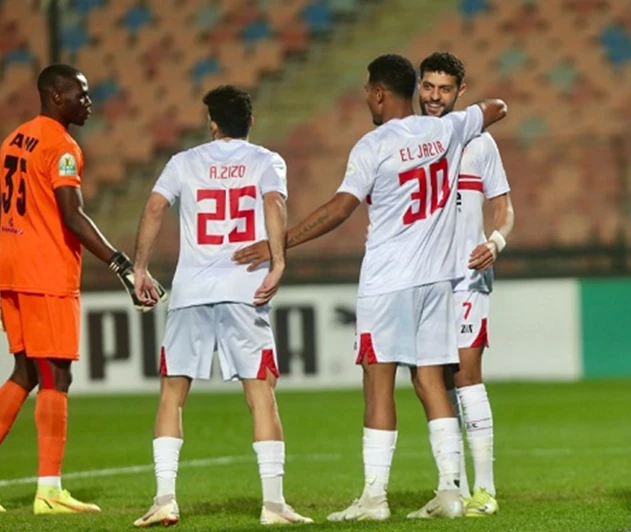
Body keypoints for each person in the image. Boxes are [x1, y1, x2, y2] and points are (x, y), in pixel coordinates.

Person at [233, 53, 507, 521]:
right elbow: (497, 106)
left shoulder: (373, 145)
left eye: (366, 91)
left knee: (378, 383)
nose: (366, 98)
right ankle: (450, 492)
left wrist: (282, 241)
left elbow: (341, 208)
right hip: (439, 282)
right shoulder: (448, 131)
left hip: (388, 281)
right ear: (414, 89)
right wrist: (467, 112)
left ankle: (375, 498)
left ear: (379, 93)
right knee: (431, 381)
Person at [130, 85, 311, 527]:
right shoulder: (267, 160)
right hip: (243, 291)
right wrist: (278, 259)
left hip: (191, 291)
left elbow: (155, 209)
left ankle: (165, 499)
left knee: (173, 395)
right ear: (249, 121)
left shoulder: (184, 162)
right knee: (260, 394)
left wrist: (139, 269)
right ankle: (273, 505)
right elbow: (274, 201)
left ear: (212, 123)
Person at [0, 64, 166, 514]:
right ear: (56, 96)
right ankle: (49, 491)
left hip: (11, 271)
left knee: (25, 373)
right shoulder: (61, 146)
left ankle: (49, 488)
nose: (88, 103)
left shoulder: (14, 139)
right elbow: (71, 215)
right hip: (44, 274)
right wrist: (120, 263)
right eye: (81, 94)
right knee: (56, 374)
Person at [418, 51, 515, 516]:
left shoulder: (479, 143)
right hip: (418, 279)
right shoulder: (405, 140)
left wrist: (495, 241)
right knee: (428, 380)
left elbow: (504, 207)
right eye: (428, 86)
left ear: (460, 91)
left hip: (465, 277)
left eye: (444, 88)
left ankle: (486, 490)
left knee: (465, 377)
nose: (434, 97)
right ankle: (448, 488)